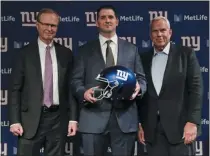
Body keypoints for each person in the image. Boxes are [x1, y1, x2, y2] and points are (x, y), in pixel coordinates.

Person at [71, 5, 146, 156]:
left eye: (111, 17)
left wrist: (139, 88)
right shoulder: (85, 50)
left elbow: (141, 79)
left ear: (117, 21)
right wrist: (84, 92)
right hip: (93, 119)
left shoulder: (132, 49)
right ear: (97, 22)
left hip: (125, 119)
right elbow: (75, 81)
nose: (107, 21)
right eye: (103, 17)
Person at [8, 8, 77, 156]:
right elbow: (15, 90)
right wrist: (14, 121)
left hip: (58, 119)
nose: (49, 29)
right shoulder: (23, 54)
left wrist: (73, 119)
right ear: (37, 25)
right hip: (29, 121)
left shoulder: (66, 54)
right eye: (45, 24)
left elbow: (70, 90)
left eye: (53, 25)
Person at [138, 16, 203, 156]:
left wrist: (193, 121)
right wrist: (140, 124)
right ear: (150, 34)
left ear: (170, 32)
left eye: (163, 30)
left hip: (181, 129)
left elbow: (196, 90)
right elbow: (140, 95)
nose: (159, 34)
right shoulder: (142, 59)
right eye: (155, 31)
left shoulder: (186, 54)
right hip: (152, 131)